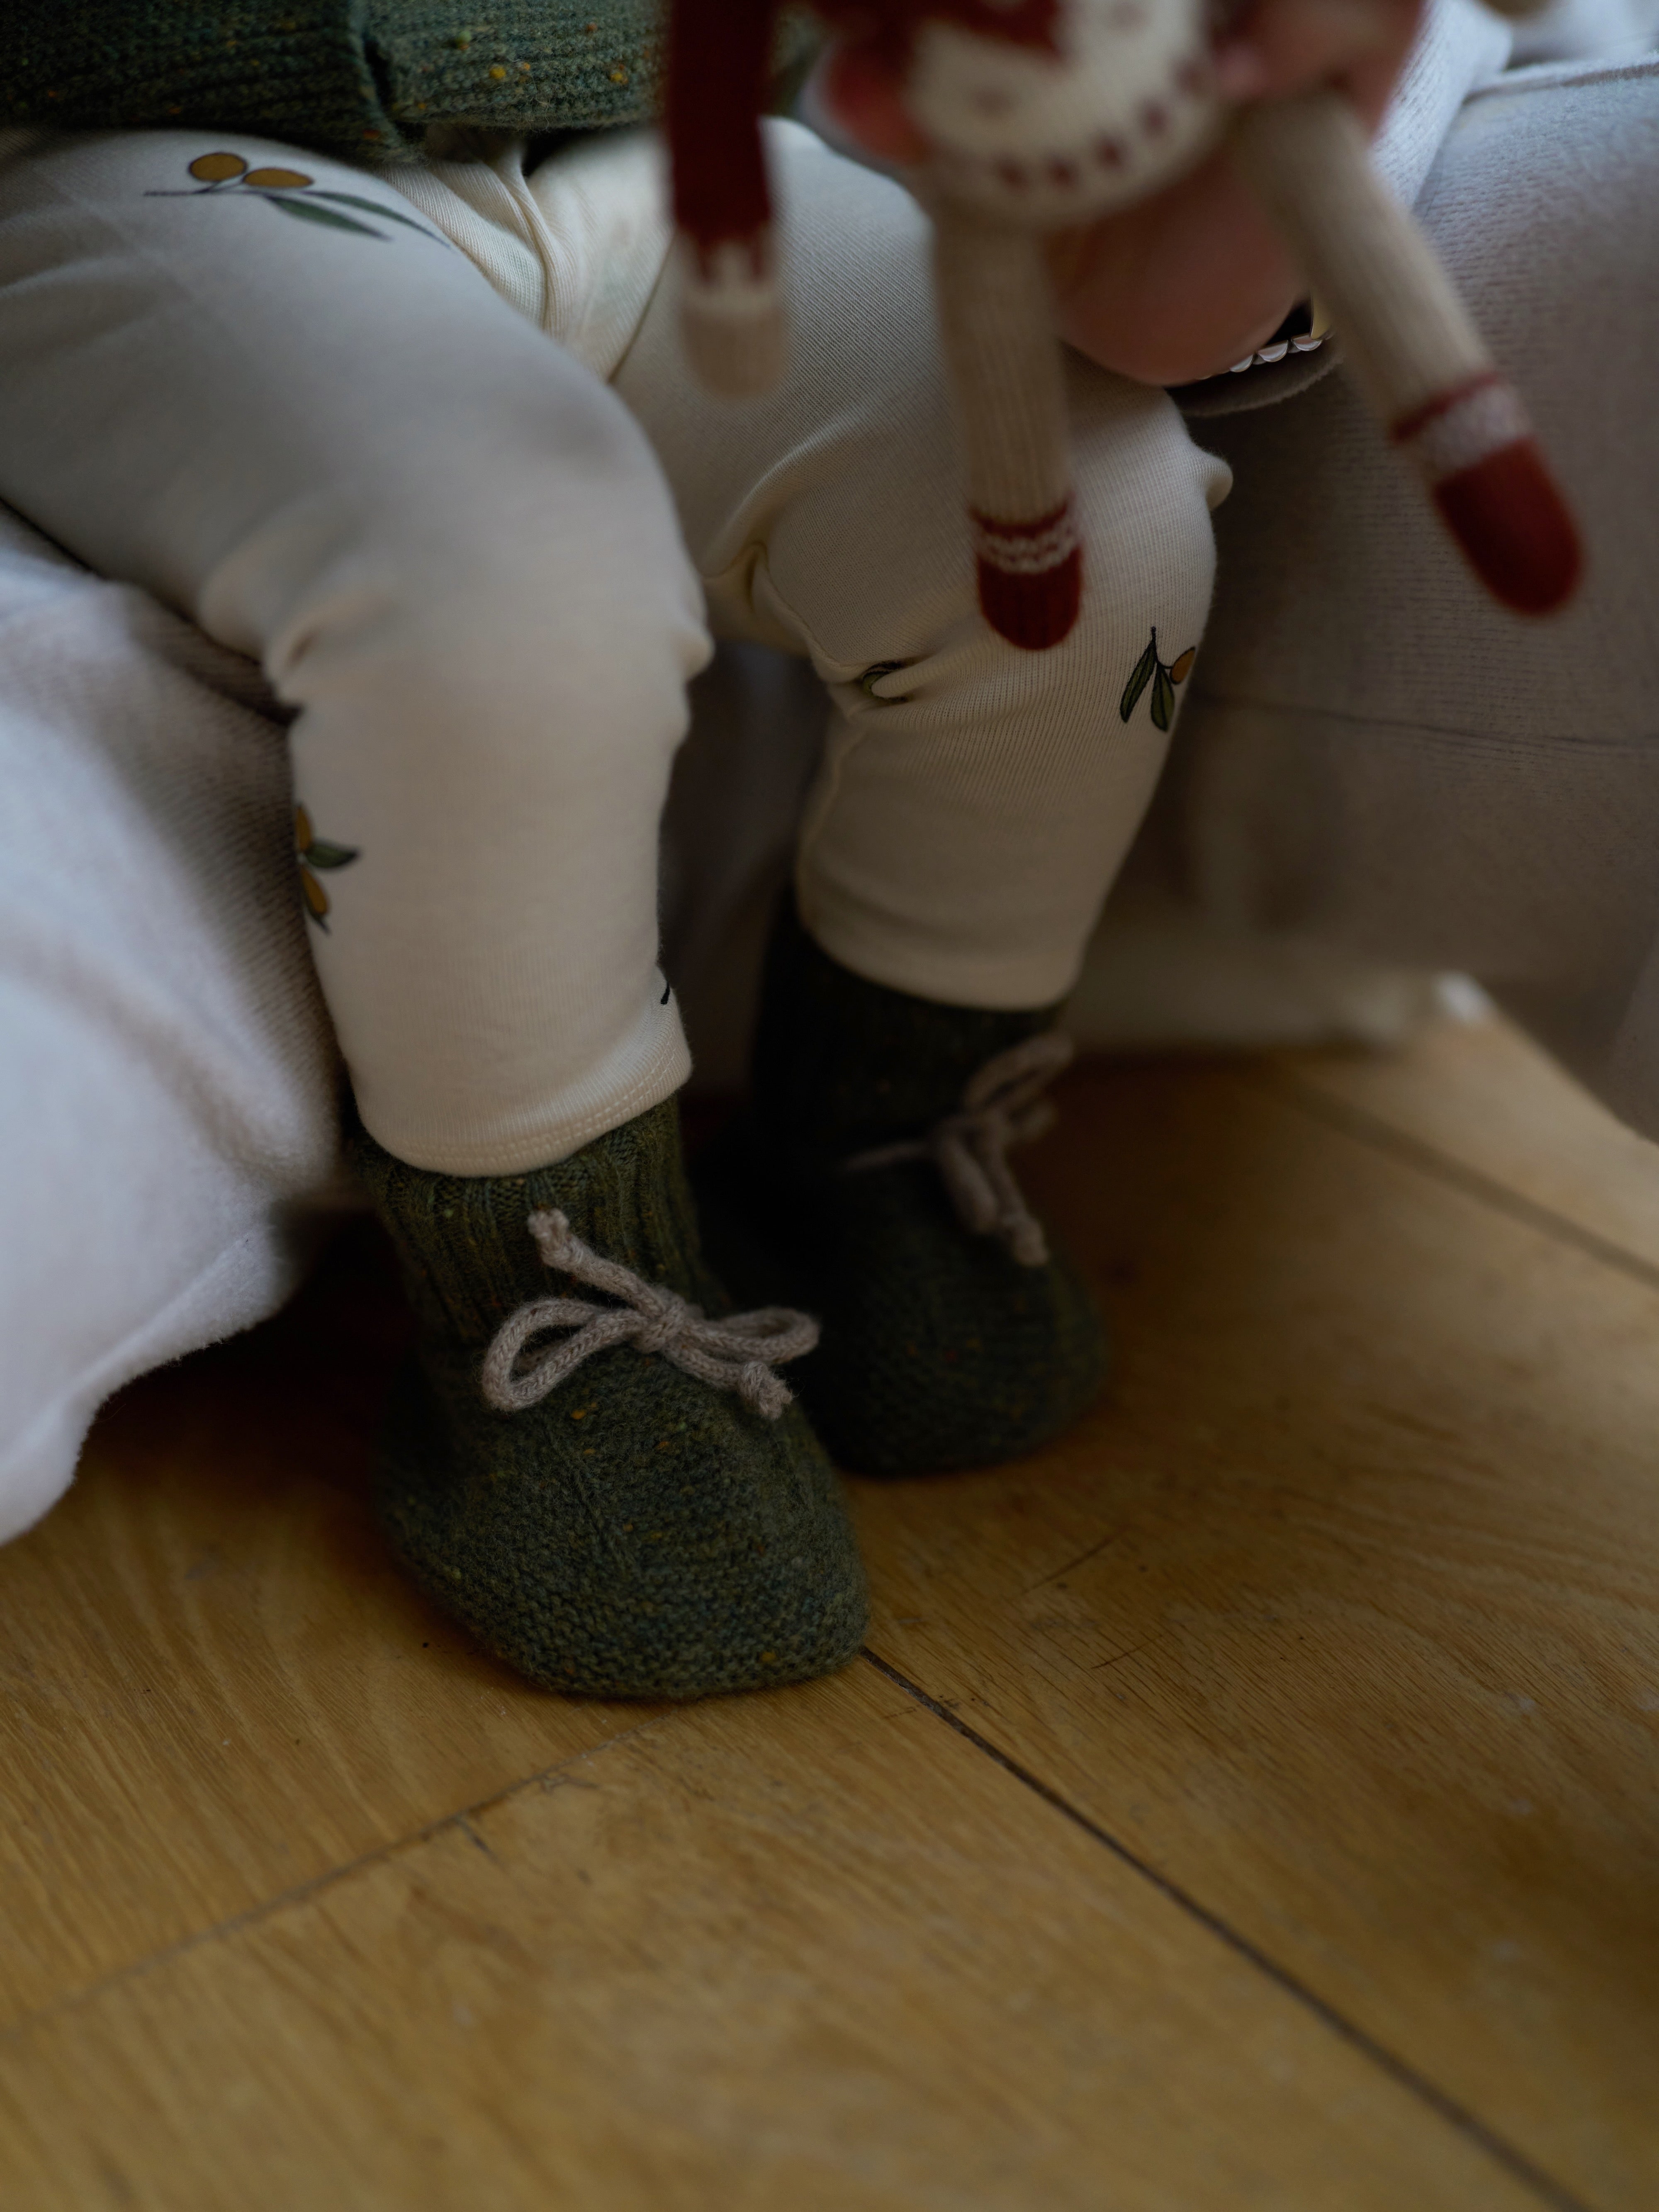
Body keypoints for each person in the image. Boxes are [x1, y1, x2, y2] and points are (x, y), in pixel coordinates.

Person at [0, 0, 1422, 1697]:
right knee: (509, 582)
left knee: (1082, 507)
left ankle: (879, 1132)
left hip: (660, 145)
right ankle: (555, 1286)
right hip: (141, 166)